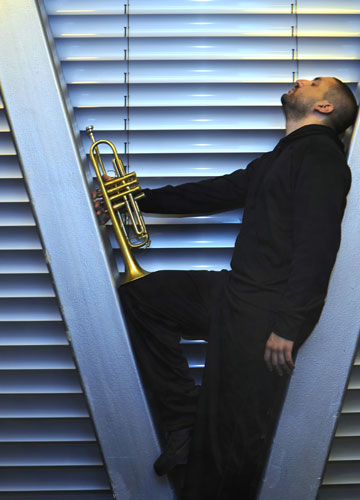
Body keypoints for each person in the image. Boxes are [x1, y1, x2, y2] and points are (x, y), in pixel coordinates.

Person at [94, 77, 357, 499]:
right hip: (235, 294)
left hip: (264, 315)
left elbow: (318, 246)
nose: (299, 81)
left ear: (324, 107)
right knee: (142, 298)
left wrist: (289, 326)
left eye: (313, 82)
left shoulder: (322, 158)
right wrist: (133, 200)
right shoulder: (280, 158)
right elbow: (213, 193)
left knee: (229, 448)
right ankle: (183, 424)